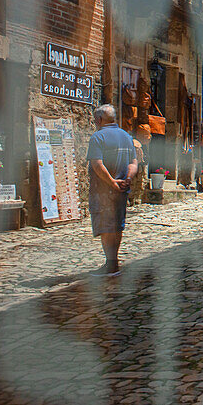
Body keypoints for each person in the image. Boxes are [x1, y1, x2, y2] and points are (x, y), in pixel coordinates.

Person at [87, 104, 138, 277]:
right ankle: (114, 262)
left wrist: (111, 183)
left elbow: (97, 164)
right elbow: (133, 162)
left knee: (106, 226)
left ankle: (110, 264)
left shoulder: (97, 137)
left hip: (103, 190)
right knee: (117, 225)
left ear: (99, 120)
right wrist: (128, 179)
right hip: (122, 190)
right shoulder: (126, 136)